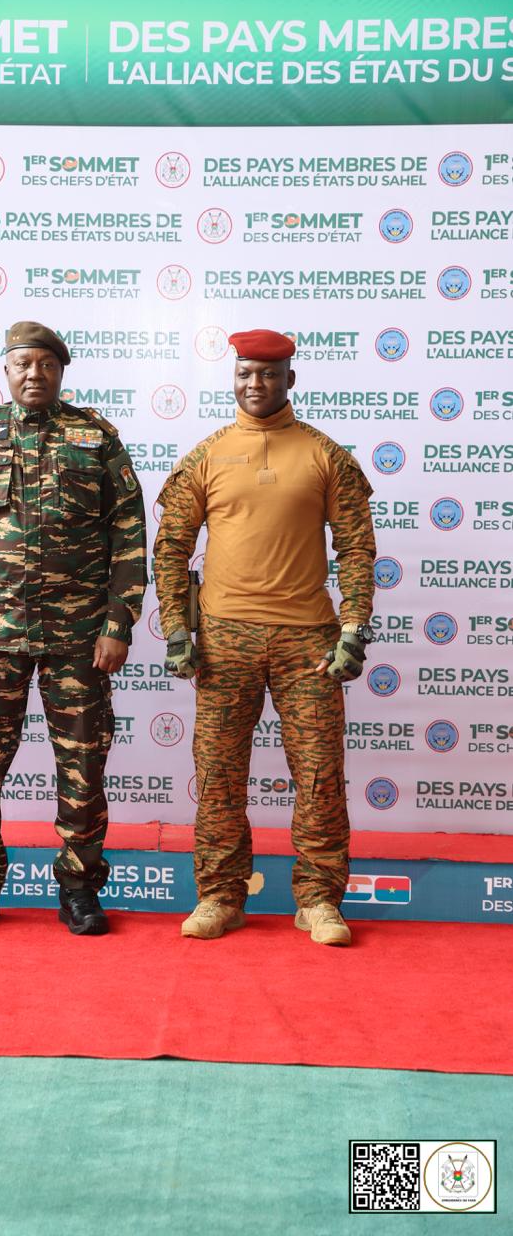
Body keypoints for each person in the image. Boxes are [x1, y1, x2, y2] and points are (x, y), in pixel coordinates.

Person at [0, 320, 147, 936]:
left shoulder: (95, 439)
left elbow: (129, 536)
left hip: (80, 637)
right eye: (23, 363)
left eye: (46, 365)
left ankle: (79, 889)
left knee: (83, 766)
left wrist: (118, 622)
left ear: (61, 372)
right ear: (6, 369)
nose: (34, 374)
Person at [154, 329, 375, 946]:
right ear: (234, 379)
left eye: (269, 374)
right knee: (219, 775)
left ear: (289, 380)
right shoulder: (207, 456)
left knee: (320, 773)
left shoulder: (326, 456)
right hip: (224, 639)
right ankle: (221, 897)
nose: (257, 384)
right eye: (246, 374)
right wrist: (177, 628)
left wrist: (354, 627)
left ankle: (320, 902)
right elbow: (170, 547)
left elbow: (357, 547)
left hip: (310, 643)